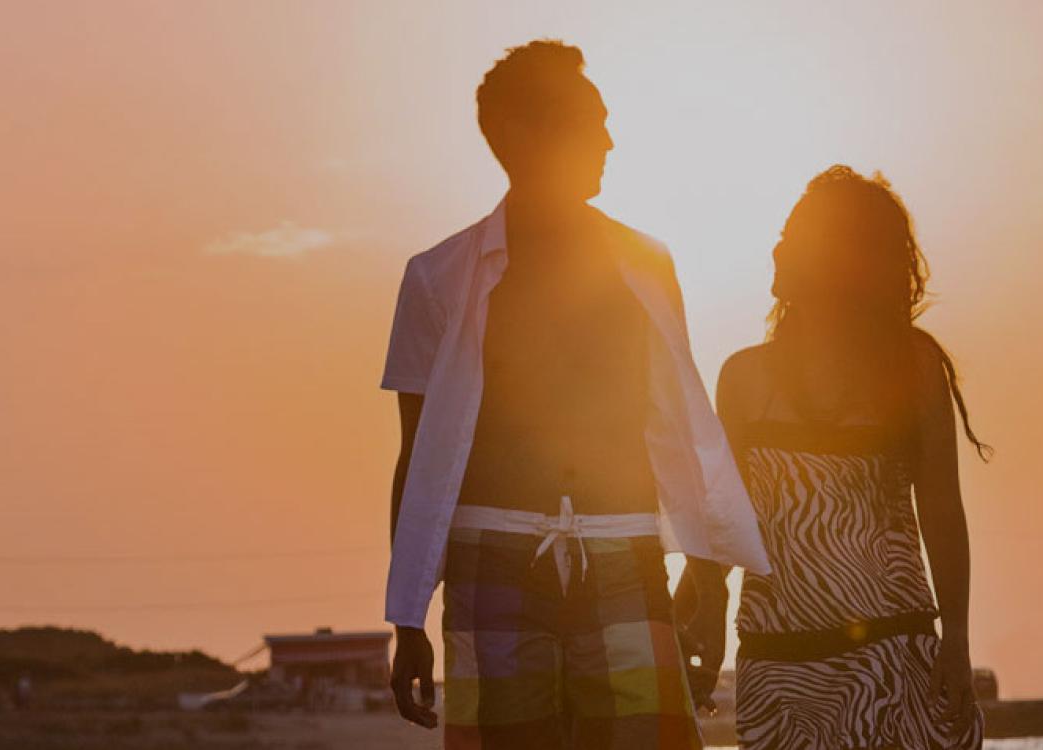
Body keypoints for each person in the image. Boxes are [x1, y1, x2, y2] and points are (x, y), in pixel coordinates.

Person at [378, 40, 769, 750]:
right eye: (592, 122)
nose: (611, 141)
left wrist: (707, 584)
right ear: (529, 135)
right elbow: (418, 456)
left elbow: (680, 430)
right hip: (489, 553)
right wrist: (406, 617)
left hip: (626, 551)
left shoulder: (645, 264)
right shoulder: (438, 277)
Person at [674, 166, 989, 749]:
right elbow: (725, 518)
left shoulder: (911, 369)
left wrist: (959, 639)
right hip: (781, 673)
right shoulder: (744, 379)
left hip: (896, 664)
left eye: (793, 236)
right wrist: (683, 619)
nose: (776, 247)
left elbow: (942, 512)